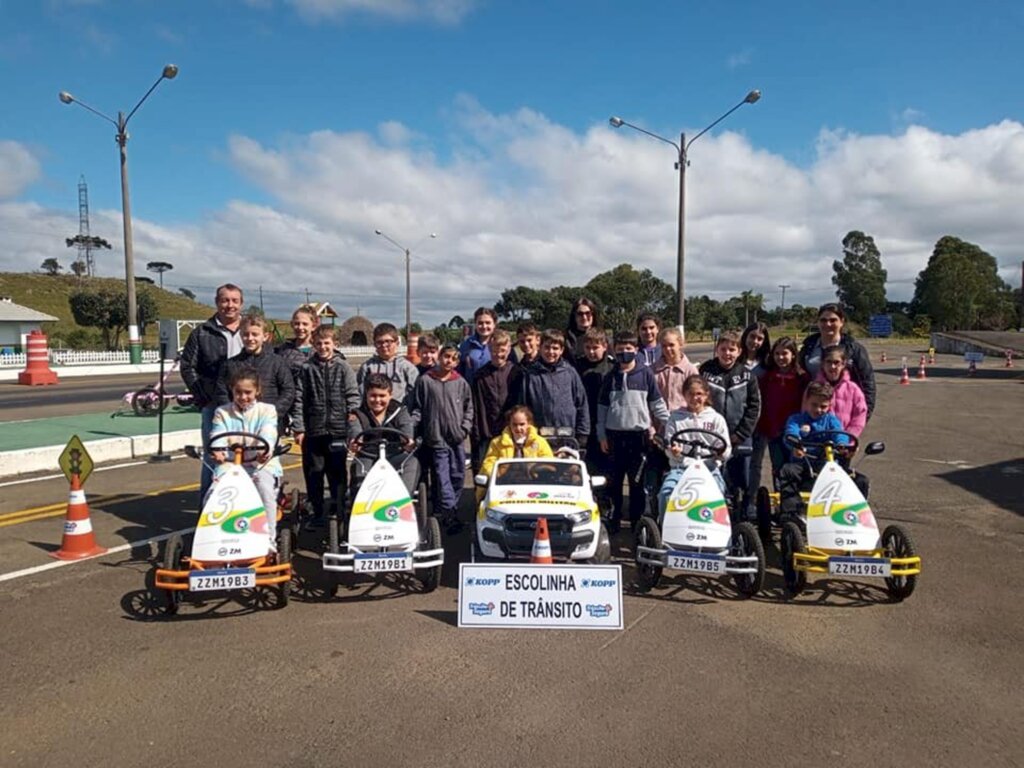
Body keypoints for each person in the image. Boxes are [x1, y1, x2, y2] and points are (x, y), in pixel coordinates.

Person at [597, 330, 670, 532]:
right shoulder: (610, 377)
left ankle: (637, 524)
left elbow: (657, 405)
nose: (624, 353)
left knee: (637, 485)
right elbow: (602, 410)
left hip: (639, 438)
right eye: (620, 349)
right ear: (614, 350)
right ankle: (614, 520)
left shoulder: (646, 374)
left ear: (636, 350)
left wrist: (672, 426)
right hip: (614, 437)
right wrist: (602, 435)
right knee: (614, 483)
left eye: (628, 349)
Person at [180, 283, 244, 502]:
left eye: (234, 300)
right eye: (225, 300)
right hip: (213, 406)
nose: (230, 305)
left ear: (241, 304)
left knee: (246, 455)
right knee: (213, 456)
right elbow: (187, 366)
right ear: (217, 302)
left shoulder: (251, 331)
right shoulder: (201, 332)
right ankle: (206, 508)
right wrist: (202, 397)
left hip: (246, 405)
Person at [291, 325, 360, 524]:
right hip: (313, 430)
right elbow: (299, 399)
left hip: (338, 431)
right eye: (319, 343)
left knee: (337, 473)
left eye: (327, 343)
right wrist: (299, 427)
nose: (323, 347)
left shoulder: (343, 367)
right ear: (313, 344)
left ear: (335, 344)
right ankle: (317, 511)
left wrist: (351, 418)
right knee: (314, 472)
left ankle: (339, 510)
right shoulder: (307, 369)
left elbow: (352, 396)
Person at [208, 368, 282, 553]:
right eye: (238, 392)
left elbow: (268, 431)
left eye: (247, 392)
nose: (243, 397)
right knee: (212, 495)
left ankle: (268, 539)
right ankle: (214, 540)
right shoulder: (222, 412)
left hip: (260, 463)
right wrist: (217, 449)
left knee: (265, 490)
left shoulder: (267, 410)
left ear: (257, 391)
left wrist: (264, 450)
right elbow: (218, 433)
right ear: (232, 390)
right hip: (231, 465)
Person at [778, 381, 869, 519]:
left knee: (861, 480)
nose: (818, 409)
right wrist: (795, 445)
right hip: (803, 464)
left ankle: (856, 515)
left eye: (823, 406)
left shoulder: (832, 421)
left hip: (828, 464)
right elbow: (791, 433)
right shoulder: (797, 420)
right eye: (814, 405)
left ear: (829, 406)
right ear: (806, 401)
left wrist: (843, 447)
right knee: (787, 471)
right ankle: (793, 513)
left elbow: (839, 435)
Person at [410, 342, 474, 533]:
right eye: (446, 357)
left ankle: (450, 509)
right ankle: (449, 514)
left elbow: (468, 408)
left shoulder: (460, 382)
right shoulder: (426, 381)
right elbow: (418, 408)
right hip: (436, 439)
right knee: (442, 477)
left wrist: (464, 429)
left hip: (457, 438)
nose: (449, 361)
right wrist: (411, 429)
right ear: (439, 357)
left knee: (458, 475)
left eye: (454, 358)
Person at [699, 330, 761, 518]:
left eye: (732, 349)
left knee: (741, 474)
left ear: (739, 351)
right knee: (711, 474)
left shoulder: (747, 375)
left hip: (739, 435)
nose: (727, 353)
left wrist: (741, 433)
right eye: (723, 349)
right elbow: (698, 400)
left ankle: (744, 506)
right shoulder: (705, 371)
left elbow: (754, 406)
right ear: (717, 349)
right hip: (711, 435)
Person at [659, 375, 732, 513]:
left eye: (699, 394)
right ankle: (666, 529)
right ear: (684, 395)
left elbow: (726, 448)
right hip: (681, 468)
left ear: (706, 395)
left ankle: (719, 531)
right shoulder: (675, 418)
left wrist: (720, 453)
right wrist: (674, 452)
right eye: (690, 394)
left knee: (718, 495)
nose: (694, 398)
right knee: (666, 493)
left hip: (709, 468)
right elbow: (669, 445)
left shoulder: (716, 419)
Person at [215, 313, 295, 435]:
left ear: (265, 336)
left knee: (267, 454)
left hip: (269, 425)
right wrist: (232, 413)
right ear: (241, 336)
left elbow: (288, 390)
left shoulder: (277, 362)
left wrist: (272, 413)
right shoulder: (230, 364)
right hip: (238, 426)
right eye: (246, 334)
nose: (250, 338)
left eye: (255, 334)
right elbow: (222, 392)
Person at [798, 303, 876, 418]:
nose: (827, 324)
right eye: (823, 320)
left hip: (843, 416)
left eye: (833, 320)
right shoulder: (808, 347)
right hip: (812, 413)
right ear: (818, 322)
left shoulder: (854, 349)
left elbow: (867, 384)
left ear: (842, 321)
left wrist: (862, 417)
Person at [753, 336, 810, 484]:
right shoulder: (768, 377)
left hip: (795, 433)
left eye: (784, 353)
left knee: (797, 468)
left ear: (793, 355)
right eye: (777, 354)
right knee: (778, 468)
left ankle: (795, 501)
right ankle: (781, 502)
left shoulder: (802, 378)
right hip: (773, 432)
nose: (780, 357)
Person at [349, 372, 419, 495]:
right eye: (373, 396)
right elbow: (355, 430)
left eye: (382, 396)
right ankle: (362, 502)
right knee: (358, 469)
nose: (377, 400)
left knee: (412, 462)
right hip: (368, 455)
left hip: (393, 454)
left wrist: (408, 439)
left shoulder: (399, 411)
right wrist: (355, 442)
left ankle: (402, 500)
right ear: (366, 395)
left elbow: (406, 426)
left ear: (390, 395)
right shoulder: (357, 414)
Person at [517, 329, 590, 444]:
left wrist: (583, 433)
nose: (550, 352)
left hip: (567, 437)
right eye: (546, 347)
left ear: (562, 350)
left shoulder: (570, 372)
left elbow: (581, 404)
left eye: (555, 348)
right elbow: (523, 407)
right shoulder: (530, 375)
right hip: (539, 438)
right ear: (540, 348)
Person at [470, 328, 520, 471]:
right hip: (487, 432)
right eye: (494, 351)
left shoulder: (517, 373)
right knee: (485, 470)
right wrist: (478, 433)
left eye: (502, 350)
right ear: (489, 349)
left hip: (511, 431)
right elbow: (476, 406)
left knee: (511, 471)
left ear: (509, 349)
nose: (498, 354)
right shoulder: (480, 376)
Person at [577, 327, 615, 474]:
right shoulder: (577, 367)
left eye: (595, 348)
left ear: (605, 346)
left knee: (607, 469)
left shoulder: (613, 367)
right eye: (588, 348)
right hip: (585, 423)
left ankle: (606, 497)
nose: (591, 352)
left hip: (607, 424)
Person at [479, 405, 554, 479]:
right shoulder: (497, 442)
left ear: (529, 423)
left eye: (522, 424)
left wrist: (537, 470)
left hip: (533, 483)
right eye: (514, 425)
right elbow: (488, 464)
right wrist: (496, 474)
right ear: (509, 424)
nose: (518, 428)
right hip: (505, 482)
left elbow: (549, 463)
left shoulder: (540, 442)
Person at [357, 322, 419, 407]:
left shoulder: (407, 368)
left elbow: (415, 395)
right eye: (379, 342)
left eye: (388, 341)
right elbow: (360, 393)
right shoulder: (367, 367)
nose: (384, 345)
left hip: (399, 415)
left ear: (397, 343)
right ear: (375, 344)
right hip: (372, 414)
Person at [816, 345, 868, 437]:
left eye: (837, 362)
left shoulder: (853, 389)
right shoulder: (814, 388)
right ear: (822, 363)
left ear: (843, 364)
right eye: (828, 362)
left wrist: (848, 438)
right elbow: (806, 414)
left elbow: (859, 416)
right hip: (819, 443)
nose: (832, 366)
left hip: (844, 444)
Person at [652, 326, 699, 415]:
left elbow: (696, 398)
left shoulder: (690, 370)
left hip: (683, 420)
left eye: (671, 345)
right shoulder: (653, 370)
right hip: (659, 421)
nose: (667, 349)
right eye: (664, 346)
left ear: (680, 344)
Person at [275, 305, 318, 380]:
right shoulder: (283, 351)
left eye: (305, 324)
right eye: (297, 324)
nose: (300, 327)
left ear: (313, 326)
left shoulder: (320, 350)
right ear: (292, 324)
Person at [457, 307, 496, 385]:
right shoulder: (466, 344)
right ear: (475, 324)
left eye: (488, 323)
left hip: (495, 394)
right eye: (480, 323)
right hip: (471, 392)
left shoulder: (502, 344)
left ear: (494, 324)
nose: (484, 326)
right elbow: (459, 371)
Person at [564, 297, 599, 365]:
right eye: (580, 314)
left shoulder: (603, 338)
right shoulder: (566, 339)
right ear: (574, 315)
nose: (584, 317)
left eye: (588, 313)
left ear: (593, 315)